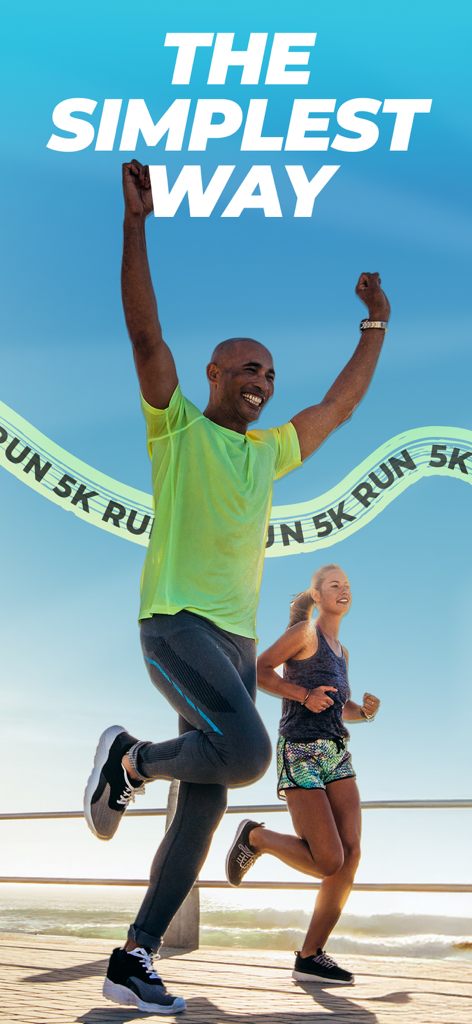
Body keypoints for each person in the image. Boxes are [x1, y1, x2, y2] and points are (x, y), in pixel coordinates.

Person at [83, 158, 390, 1014]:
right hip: (174, 627)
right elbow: (146, 337)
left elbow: (338, 408)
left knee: (208, 801)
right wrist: (135, 225)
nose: (260, 380)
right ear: (214, 374)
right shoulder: (176, 427)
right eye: (245, 368)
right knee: (251, 752)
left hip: (232, 641)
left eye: (268, 374)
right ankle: (129, 758)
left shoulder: (268, 454)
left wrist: (374, 327)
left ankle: (134, 955)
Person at [225, 564, 380, 986]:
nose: (344, 590)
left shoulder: (342, 651)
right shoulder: (304, 634)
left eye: (348, 585)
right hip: (300, 750)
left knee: (351, 855)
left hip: (336, 753)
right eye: (335, 585)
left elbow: (337, 706)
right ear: (316, 594)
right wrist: (301, 694)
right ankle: (255, 837)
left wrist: (362, 713)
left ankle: (311, 955)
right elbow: (258, 671)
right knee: (328, 859)